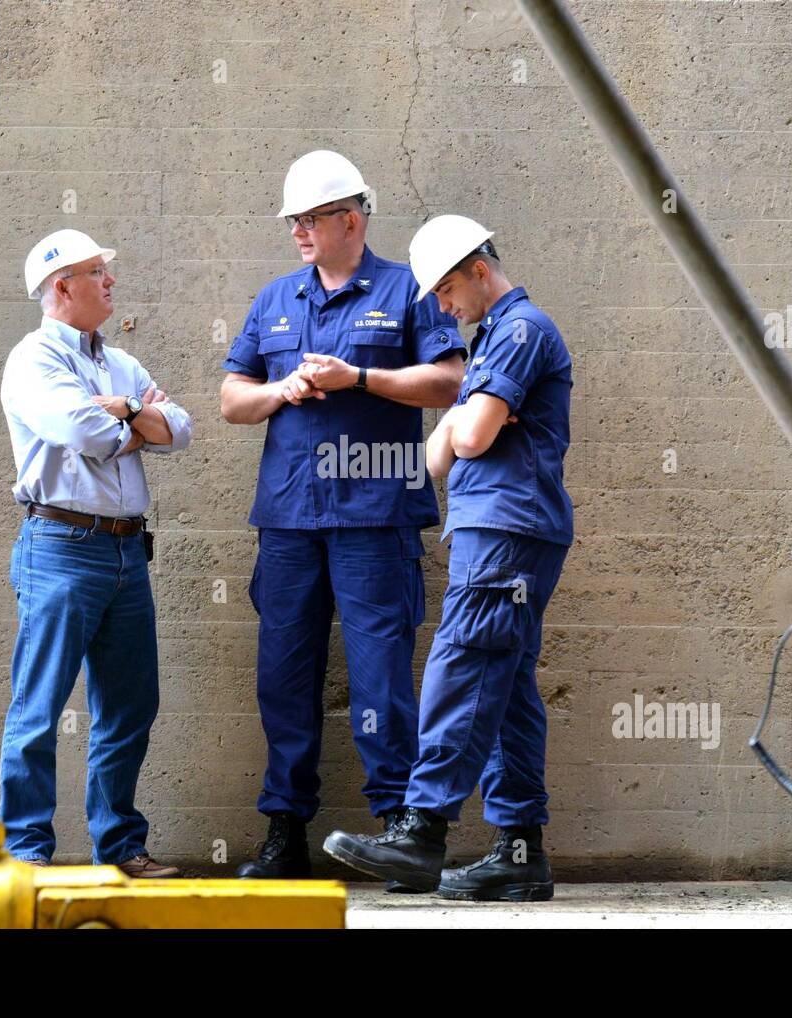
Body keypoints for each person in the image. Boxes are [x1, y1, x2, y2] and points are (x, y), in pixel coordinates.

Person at [220, 152, 466, 879]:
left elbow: (450, 382)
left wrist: (358, 376)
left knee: (381, 676)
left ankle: (402, 830)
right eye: (293, 220)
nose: (297, 230)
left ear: (350, 220)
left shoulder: (408, 290)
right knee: (284, 676)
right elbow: (233, 398)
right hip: (290, 520)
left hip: (375, 517)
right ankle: (284, 831)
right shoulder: (275, 300)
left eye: (308, 218)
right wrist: (282, 389)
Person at [323, 215, 574, 901]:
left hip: (506, 529)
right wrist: (470, 417)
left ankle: (420, 832)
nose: (440, 306)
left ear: (479, 269)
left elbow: (467, 439)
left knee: (461, 665)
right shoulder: (491, 340)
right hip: (502, 527)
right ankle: (520, 851)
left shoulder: (521, 332)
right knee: (506, 688)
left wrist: (470, 419)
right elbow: (440, 453)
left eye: (444, 289)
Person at [0, 228, 192, 877]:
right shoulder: (33, 361)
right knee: (40, 705)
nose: (110, 282)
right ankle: (26, 854)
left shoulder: (121, 367)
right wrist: (136, 424)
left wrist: (126, 408)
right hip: (60, 545)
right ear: (62, 288)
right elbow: (85, 431)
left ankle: (120, 847)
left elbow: (182, 429)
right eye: (96, 273)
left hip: (125, 553)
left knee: (130, 706)